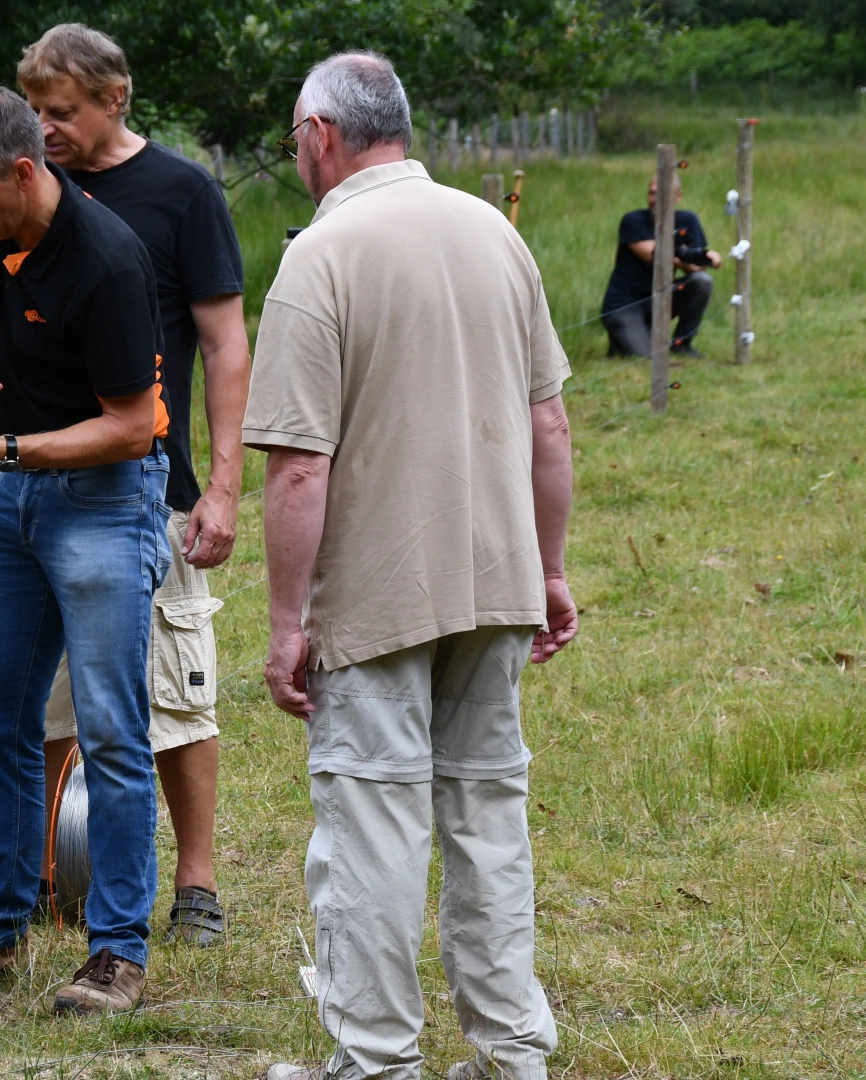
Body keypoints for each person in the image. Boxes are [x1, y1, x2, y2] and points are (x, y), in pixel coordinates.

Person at [248, 53, 577, 1080]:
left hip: (379, 593)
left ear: (319, 134)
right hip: (498, 577)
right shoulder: (494, 231)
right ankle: (512, 1053)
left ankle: (378, 1062)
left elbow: (300, 466)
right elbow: (550, 425)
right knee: (488, 815)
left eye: (295, 140)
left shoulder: (320, 254)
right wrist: (549, 570)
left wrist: (287, 624)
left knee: (374, 827)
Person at [0, 82, 171, 1016]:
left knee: (111, 731)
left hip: (106, 498)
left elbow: (131, 427)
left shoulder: (107, 261)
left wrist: (1, 449)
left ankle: (117, 953)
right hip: (16, 492)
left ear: (22, 171)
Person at [20, 22, 249, 947]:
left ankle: (195, 885)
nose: (45, 127)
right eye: (35, 110)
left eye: (62, 110)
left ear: (115, 99)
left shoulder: (182, 193)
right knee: (46, 700)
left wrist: (222, 488)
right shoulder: (27, 192)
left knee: (175, 694)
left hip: (154, 487)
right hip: (38, 481)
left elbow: (226, 345)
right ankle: (46, 875)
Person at [599, 174, 720, 358]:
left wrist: (701, 258)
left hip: (660, 299)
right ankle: (621, 340)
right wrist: (691, 256)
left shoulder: (688, 220)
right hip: (625, 306)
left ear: (678, 196)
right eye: (652, 193)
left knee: (702, 281)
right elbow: (655, 255)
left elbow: (699, 267)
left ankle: (682, 343)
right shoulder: (633, 221)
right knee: (648, 358)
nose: (655, 199)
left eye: (662, 194)